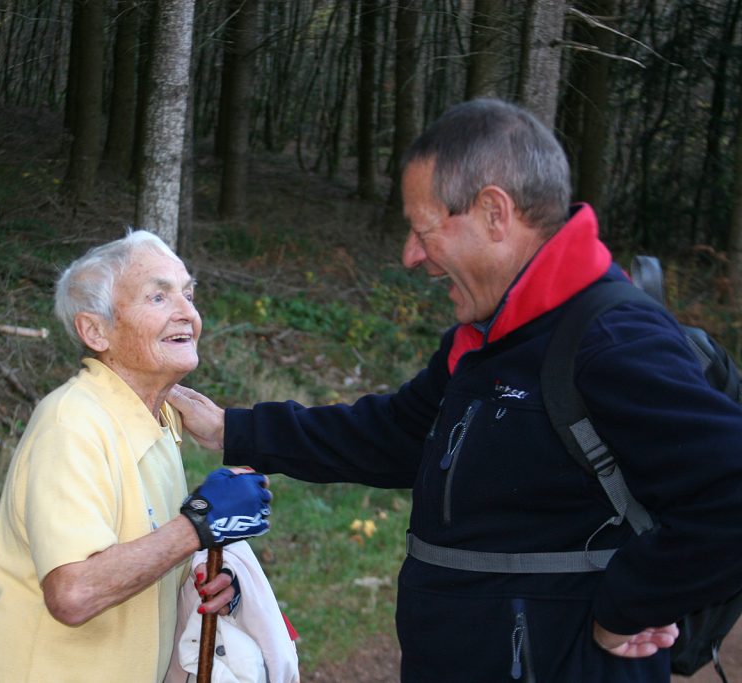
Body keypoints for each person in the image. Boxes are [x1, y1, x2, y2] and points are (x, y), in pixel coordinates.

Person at [169, 99, 742, 682]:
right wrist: (234, 430)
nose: (411, 255)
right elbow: (395, 435)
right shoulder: (490, 336)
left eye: (424, 230)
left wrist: (632, 603)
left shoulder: (611, 340)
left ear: (495, 213)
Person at [0, 230, 272, 682]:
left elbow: (144, 561)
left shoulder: (160, 421)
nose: (187, 313)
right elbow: (74, 592)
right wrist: (199, 525)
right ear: (95, 330)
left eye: (188, 294)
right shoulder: (72, 423)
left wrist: (208, 585)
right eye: (158, 297)